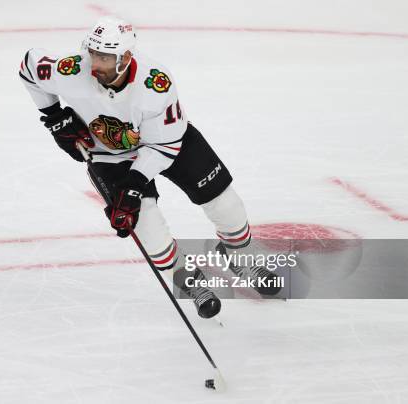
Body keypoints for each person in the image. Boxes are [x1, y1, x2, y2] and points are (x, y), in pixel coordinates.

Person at [19, 16, 280, 318]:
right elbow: (29, 67)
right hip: (108, 155)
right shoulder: (74, 69)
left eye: (104, 57)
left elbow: (164, 147)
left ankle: (240, 255)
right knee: (147, 227)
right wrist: (54, 117)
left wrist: (134, 183)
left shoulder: (155, 83)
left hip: (167, 143)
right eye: (93, 53)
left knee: (226, 203)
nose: (95, 64)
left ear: (125, 58)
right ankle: (188, 279)